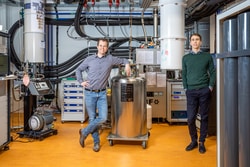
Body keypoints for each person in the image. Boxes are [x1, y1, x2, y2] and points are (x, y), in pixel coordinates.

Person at [75, 38, 131, 152]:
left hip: (102, 94)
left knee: (103, 118)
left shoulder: (110, 59)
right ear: (97, 47)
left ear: (107, 48)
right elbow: (78, 70)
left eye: (105, 46)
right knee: (92, 119)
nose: (102, 48)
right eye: (100, 46)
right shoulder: (89, 59)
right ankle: (96, 143)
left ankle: (84, 132)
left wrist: (127, 64)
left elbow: (123, 60)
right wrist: (81, 82)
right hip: (89, 93)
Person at [182, 33, 216, 154]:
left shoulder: (207, 56)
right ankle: (193, 141)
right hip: (191, 91)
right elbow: (184, 74)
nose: (195, 42)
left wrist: (210, 87)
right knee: (190, 119)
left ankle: (202, 142)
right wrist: (186, 88)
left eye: (197, 40)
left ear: (200, 42)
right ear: (190, 42)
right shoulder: (185, 58)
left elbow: (212, 72)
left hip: (204, 90)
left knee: (204, 117)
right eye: (193, 40)